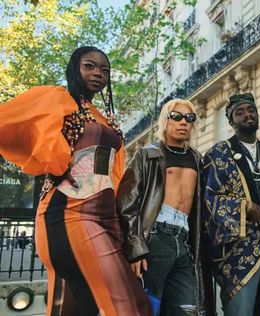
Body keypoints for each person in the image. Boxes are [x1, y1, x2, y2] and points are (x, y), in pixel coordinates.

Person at [0, 46, 152, 315]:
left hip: (104, 215)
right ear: (74, 68)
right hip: (69, 212)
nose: (98, 74)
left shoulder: (101, 115)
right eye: (89, 66)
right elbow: (8, 120)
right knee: (132, 306)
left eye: (104, 70)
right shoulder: (57, 99)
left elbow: (113, 174)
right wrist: (53, 160)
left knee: (70, 307)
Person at [117, 99, 214, 316]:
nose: (183, 122)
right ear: (165, 120)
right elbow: (126, 203)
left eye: (189, 118)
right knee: (148, 307)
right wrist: (135, 248)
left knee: (187, 309)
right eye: (177, 117)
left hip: (184, 242)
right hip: (155, 237)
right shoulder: (147, 154)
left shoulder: (197, 159)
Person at [202, 93, 260, 316]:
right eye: (240, 112)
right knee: (241, 308)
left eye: (251, 110)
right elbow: (210, 199)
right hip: (240, 243)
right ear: (231, 122)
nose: (248, 114)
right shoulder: (218, 154)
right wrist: (244, 207)